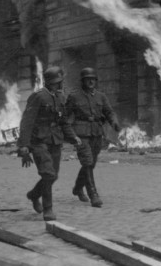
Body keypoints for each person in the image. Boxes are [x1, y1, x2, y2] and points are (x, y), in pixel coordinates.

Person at [17, 66, 82, 221]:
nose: (61, 84)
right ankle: (48, 209)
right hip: (39, 141)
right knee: (48, 173)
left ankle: (33, 194)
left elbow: (63, 121)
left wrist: (73, 137)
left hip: (55, 141)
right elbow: (27, 122)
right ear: (53, 82)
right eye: (59, 81)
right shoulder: (38, 97)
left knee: (53, 176)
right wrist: (24, 146)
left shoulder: (60, 97)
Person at [65, 67, 120, 208]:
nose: (90, 81)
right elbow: (65, 116)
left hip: (96, 133)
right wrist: (69, 133)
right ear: (82, 81)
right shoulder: (74, 96)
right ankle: (93, 195)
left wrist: (114, 122)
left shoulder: (101, 96)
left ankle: (77, 188)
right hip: (81, 133)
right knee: (88, 162)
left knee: (91, 163)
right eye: (87, 79)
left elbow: (109, 111)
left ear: (96, 81)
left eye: (93, 79)